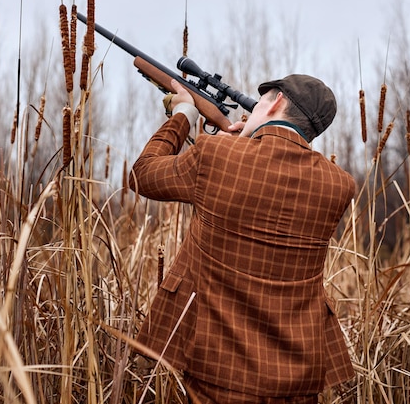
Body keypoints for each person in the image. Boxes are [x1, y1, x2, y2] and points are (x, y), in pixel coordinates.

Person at [129, 74, 356, 403]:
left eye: (260, 101)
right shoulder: (338, 186)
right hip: (299, 373)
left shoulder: (215, 155)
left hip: (215, 367)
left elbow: (142, 174)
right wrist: (236, 145)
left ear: (276, 102)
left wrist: (184, 115)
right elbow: (270, 188)